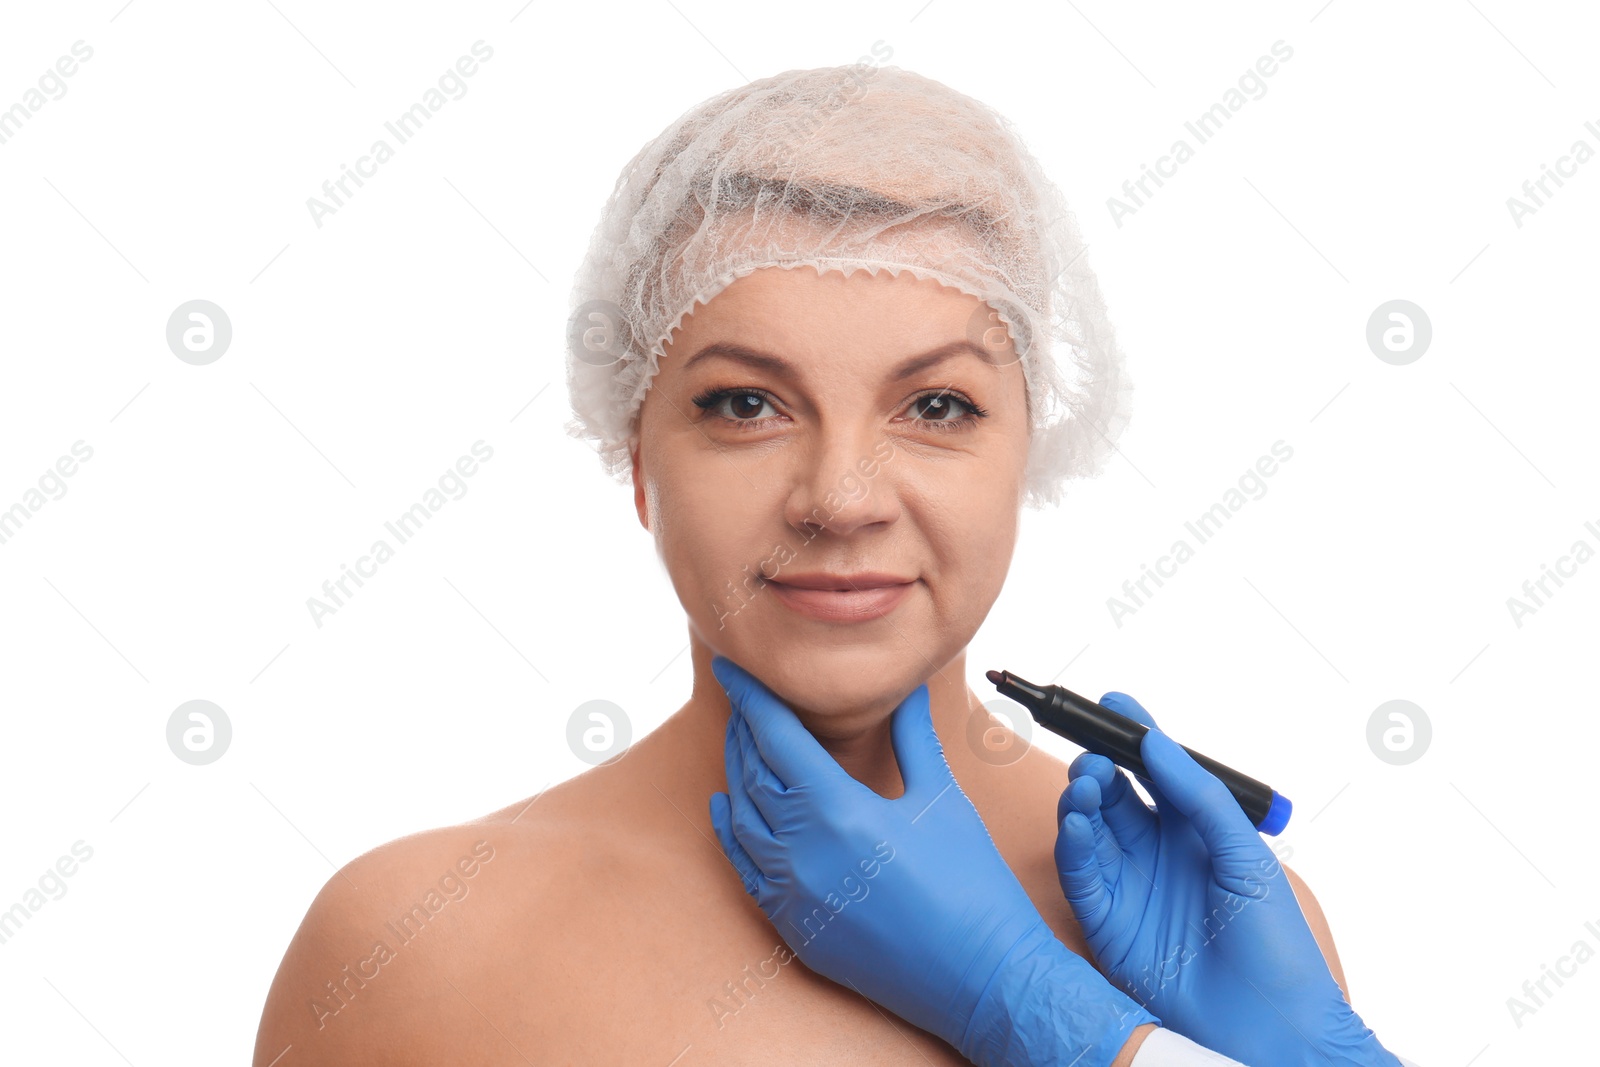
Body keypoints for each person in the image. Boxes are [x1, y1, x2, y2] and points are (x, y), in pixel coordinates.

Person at [253, 64, 1381, 1065]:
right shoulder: (411, 946)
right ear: (633, 455)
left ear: (1028, 448)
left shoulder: (1229, 943)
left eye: (937, 404)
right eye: (745, 403)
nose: (840, 497)